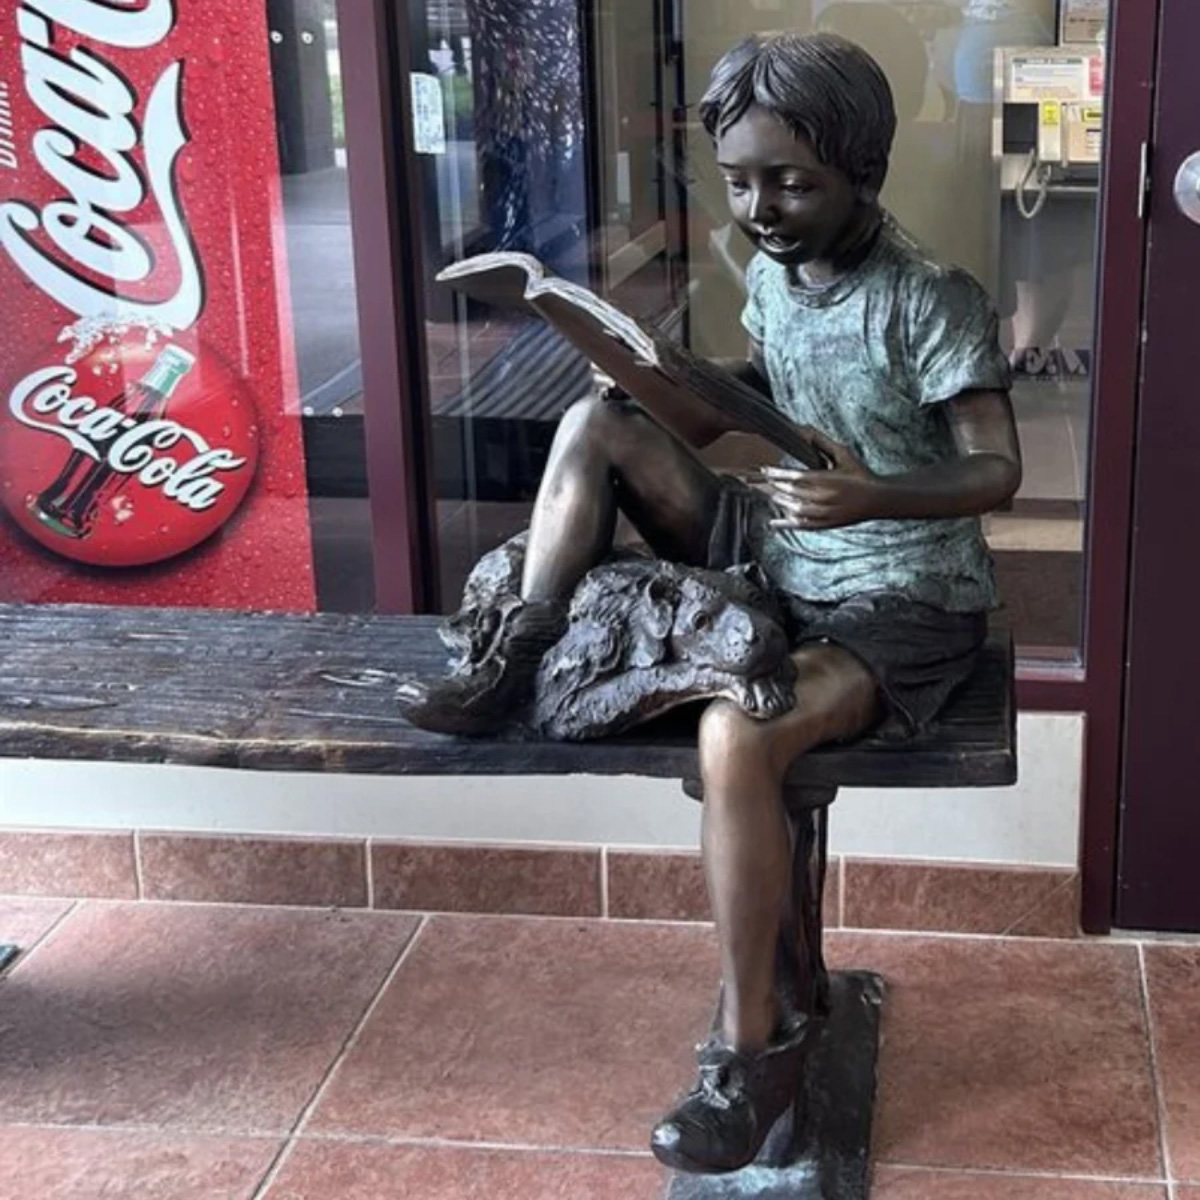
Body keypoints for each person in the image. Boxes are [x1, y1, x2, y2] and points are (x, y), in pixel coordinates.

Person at [401, 31, 1021, 1175]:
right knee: (596, 426)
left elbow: (995, 471)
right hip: (780, 536)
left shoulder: (930, 297)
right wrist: (642, 382)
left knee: (738, 731)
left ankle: (751, 1053)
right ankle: (518, 652)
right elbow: (741, 415)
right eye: (740, 182)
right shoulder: (779, 282)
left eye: (791, 180)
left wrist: (871, 495)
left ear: (862, 171)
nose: (763, 207)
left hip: (899, 596)